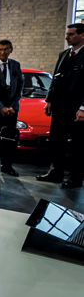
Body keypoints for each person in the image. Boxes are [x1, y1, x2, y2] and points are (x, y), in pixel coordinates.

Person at [37, 23, 84, 188]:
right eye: (67, 34)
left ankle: (76, 177)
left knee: (77, 144)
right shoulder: (63, 54)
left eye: (71, 34)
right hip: (59, 106)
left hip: (77, 108)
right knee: (57, 141)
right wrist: (49, 100)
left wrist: (83, 108)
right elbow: (55, 79)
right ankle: (55, 172)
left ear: (82, 35)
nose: (67, 37)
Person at [0, 40, 24, 176]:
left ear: (11, 50)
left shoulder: (16, 65)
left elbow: (19, 87)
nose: (3, 52)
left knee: (10, 139)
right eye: (0, 49)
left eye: (6, 49)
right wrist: (0, 107)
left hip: (11, 109)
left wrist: (13, 106)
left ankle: (7, 166)